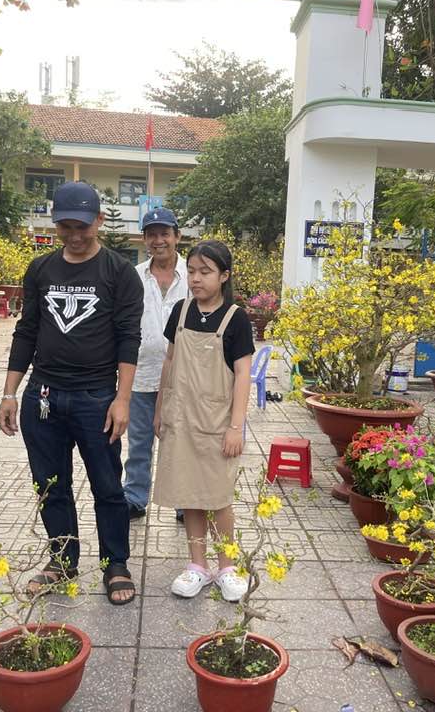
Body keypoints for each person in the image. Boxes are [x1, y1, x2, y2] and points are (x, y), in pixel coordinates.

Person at [0, 182, 143, 606]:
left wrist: (123, 398)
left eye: (83, 226)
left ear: (99, 220)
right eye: (65, 226)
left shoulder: (118, 272)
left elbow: (127, 338)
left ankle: (115, 562)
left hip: (97, 397)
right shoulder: (41, 269)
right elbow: (26, 332)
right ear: (55, 223)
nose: (75, 235)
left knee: (107, 486)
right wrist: (10, 393)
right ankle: (62, 559)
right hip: (43, 396)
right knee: (50, 484)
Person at [152, 240, 254, 602]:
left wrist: (236, 426)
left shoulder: (236, 318)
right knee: (189, 494)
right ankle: (197, 566)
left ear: (224, 276)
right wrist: (161, 408)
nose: (195, 279)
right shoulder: (180, 311)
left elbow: (243, 374)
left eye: (205, 272)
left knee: (218, 497)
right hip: (181, 419)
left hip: (216, 422)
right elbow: (169, 362)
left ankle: (227, 567)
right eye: (192, 271)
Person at [124, 208, 187, 520]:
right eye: (152, 234)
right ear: (144, 239)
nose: (158, 240)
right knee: (139, 443)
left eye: (165, 233)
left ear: (177, 236)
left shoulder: (195, 274)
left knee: (181, 443)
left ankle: (183, 502)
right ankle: (135, 498)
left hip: (184, 378)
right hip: (140, 374)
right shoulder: (133, 276)